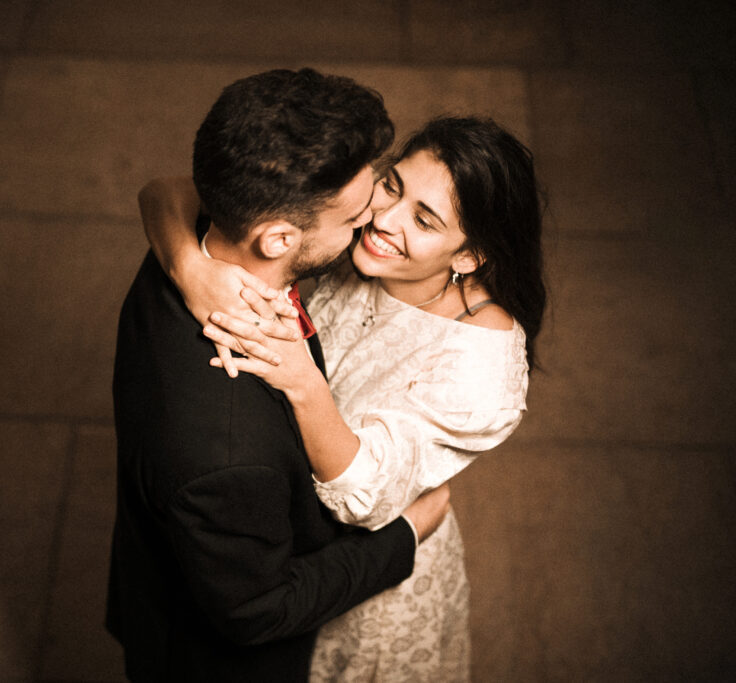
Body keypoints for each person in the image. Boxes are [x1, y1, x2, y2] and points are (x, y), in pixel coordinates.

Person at [140, 115, 546, 680]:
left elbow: (366, 496)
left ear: (468, 257)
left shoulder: (484, 369)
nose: (382, 220)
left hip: (368, 586)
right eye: (394, 185)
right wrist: (190, 268)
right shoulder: (359, 232)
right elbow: (168, 190)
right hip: (282, 533)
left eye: (424, 221)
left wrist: (301, 379)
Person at [107, 68, 452, 682]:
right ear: (278, 239)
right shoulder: (231, 452)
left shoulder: (202, 238)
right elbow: (256, 609)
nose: (374, 217)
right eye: (352, 219)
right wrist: (402, 536)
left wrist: (185, 262)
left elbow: (164, 192)